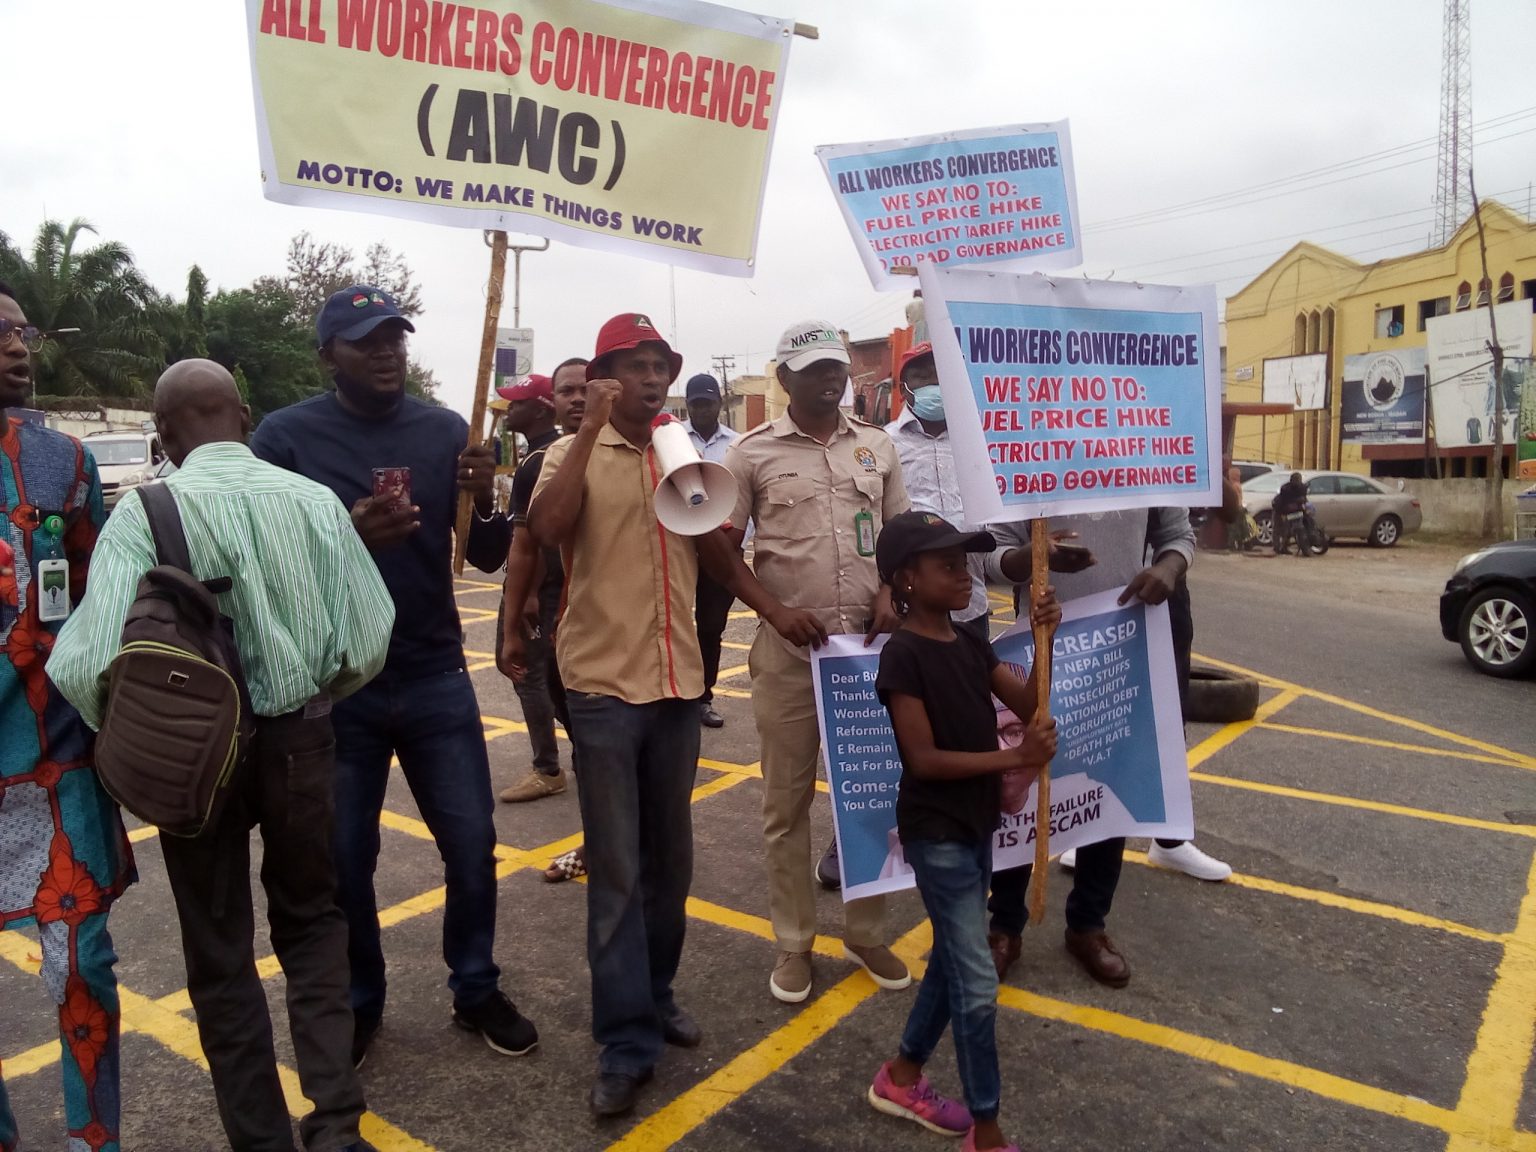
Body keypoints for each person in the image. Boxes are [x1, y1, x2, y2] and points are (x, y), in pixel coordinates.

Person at [49, 360, 394, 1152]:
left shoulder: (145, 512)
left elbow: (80, 664)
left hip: (189, 754)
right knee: (311, 923)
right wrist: (316, 693)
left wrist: (144, 730)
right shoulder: (313, 504)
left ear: (164, 436)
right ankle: (337, 1124)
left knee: (220, 952)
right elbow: (370, 637)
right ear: (243, 414)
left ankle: (261, 1140)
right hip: (302, 740)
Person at [527, 313, 814, 1118]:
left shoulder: (678, 452)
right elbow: (548, 531)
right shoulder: (565, 453)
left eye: (661, 366)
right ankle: (623, 1042)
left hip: (680, 684)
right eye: (637, 366)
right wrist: (586, 430)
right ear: (607, 373)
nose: (653, 379)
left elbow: (716, 551)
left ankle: (654, 997)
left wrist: (773, 610)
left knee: (670, 866)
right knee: (616, 872)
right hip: (602, 690)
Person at [250, 285, 534, 1069]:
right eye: (365, 341)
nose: (386, 353)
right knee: (346, 859)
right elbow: (260, 564)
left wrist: (485, 496)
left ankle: (474, 988)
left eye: (396, 339)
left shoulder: (445, 430)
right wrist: (346, 532)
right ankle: (361, 1002)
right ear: (328, 355)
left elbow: (482, 557)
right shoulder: (285, 439)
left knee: (473, 844)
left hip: (436, 672)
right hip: (340, 683)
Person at [724, 319, 912, 1006]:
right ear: (784, 380)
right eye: (813, 371)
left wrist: (893, 590)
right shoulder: (749, 455)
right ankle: (793, 943)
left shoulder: (877, 447)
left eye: (836, 367)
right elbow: (719, 548)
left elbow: (901, 537)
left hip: (867, 655)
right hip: (788, 654)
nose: (831, 379)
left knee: (872, 798)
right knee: (786, 804)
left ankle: (864, 932)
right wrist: (773, 612)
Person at [866, 512, 1059, 1152]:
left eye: (964, 561)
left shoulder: (971, 645)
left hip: (975, 824)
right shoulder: (903, 655)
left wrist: (1041, 636)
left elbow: (1031, 704)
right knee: (976, 979)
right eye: (946, 565)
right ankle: (988, 1130)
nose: (962, 573)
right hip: (936, 830)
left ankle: (901, 1076)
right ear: (906, 580)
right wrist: (1016, 759)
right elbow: (923, 760)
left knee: (954, 959)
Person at [0, 282, 133, 1152]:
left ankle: (99, 1142)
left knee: (84, 966)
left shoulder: (65, 462)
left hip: (54, 759)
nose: (18, 348)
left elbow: (93, 599)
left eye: (20, 332)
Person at [981, 509, 1195, 988]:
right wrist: (1036, 557)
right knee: (1022, 780)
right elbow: (992, 556)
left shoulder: (1144, 448)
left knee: (1107, 781)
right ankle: (1004, 926)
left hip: (1121, 640)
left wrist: (1168, 569)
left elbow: (1178, 537)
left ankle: (1088, 925)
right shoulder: (1025, 447)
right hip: (1041, 640)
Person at [497, 357, 589, 879]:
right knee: (585, 736)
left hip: (620, 620)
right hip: (559, 613)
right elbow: (524, 545)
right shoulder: (539, 463)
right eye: (566, 391)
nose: (576, 400)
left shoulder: (636, 452)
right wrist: (516, 619)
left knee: (619, 744)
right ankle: (597, 841)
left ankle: (632, 843)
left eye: (585, 389)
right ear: (553, 401)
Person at [495, 372, 569, 803]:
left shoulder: (544, 458)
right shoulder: (539, 453)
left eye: (516, 402)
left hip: (541, 583)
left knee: (528, 672)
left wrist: (531, 593)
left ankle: (547, 768)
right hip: (541, 581)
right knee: (552, 674)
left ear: (540, 408)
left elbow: (538, 535)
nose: (508, 409)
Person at [683, 372, 738, 730]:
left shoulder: (737, 445)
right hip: (677, 550)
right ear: (687, 405)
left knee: (710, 627)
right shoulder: (669, 439)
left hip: (721, 550)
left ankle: (702, 697)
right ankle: (673, 697)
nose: (703, 409)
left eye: (708, 402)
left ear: (720, 403)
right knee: (670, 623)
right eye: (696, 404)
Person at [1272, 471, 1308, 555]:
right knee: (1278, 529)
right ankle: (1277, 547)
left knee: (1287, 530)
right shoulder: (1285, 488)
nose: (1297, 482)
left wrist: (1304, 509)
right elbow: (1281, 502)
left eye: (1298, 480)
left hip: (1294, 510)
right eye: (1295, 480)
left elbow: (1304, 500)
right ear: (1291, 480)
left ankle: (1284, 547)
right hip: (1280, 509)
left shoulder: (1303, 488)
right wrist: (1282, 514)